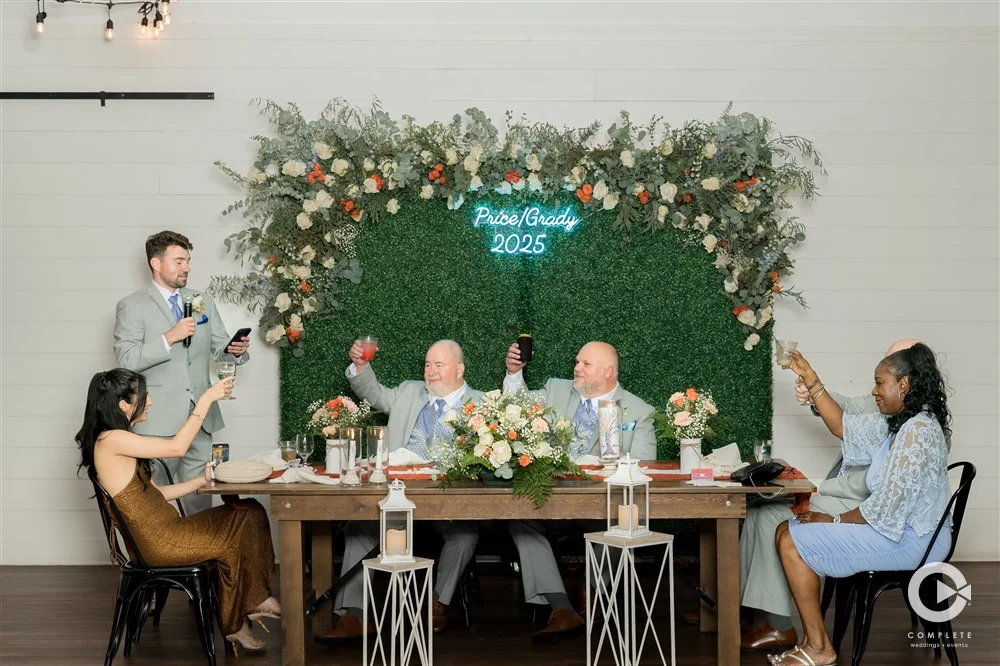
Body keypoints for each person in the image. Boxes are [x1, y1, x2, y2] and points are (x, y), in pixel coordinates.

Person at [770, 344, 952, 666]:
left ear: (904, 384)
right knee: (788, 529)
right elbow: (843, 425)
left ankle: (819, 649)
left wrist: (835, 520)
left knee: (790, 540)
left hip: (913, 539)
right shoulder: (901, 421)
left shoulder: (917, 432)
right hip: (901, 529)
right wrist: (810, 376)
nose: (874, 390)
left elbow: (884, 510)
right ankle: (816, 642)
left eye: (880, 383)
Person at [76, 368, 279, 655]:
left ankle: (243, 613)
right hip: (161, 544)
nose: (150, 401)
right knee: (242, 520)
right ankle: (250, 605)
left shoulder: (116, 438)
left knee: (249, 510)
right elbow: (177, 447)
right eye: (144, 396)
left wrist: (200, 481)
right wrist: (206, 399)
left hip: (167, 531)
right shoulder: (111, 440)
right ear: (124, 405)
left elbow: (155, 495)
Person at [740, 338, 920, 651]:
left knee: (770, 517)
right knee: (757, 509)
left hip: (860, 505)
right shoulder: (889, 404)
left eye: (885, 377)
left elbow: (842, 423)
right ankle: (742, 610)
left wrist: (813, 383)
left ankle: (780, 627)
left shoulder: (906, 422)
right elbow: (850, 405)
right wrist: (814, 396)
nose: (877, 389)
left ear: (907, 379)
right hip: (845, 496)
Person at [320, 340, 482, 640]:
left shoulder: (482, 404)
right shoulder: (409, 391)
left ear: (459, 369)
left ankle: (436, 603)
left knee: (465, 535)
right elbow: (374, 392)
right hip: (394, 496)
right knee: (357, 529)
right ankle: (354, 615)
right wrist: (360, 366)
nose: (430, 372)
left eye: (439, 365)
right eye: (427, 364)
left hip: (447, 501)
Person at [502, 340, 657, 641]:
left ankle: (595, 596)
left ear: (609, 372)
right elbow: (517, 406)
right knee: (519, 519)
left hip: (603, 506)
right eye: (577, 362)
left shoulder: (639, 410)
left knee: (621, 522)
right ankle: (562, 609)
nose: (576, 368)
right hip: (549, 502)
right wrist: (513, 373)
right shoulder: (557, 390)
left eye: (585, 364)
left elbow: (643, 467)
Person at [113, 230, 250, 514]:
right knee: (156, 500)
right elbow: (126, 359)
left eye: (187, 261)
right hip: (157, 421)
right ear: (156, 263)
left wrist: (234, 350)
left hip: (202, 418)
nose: (186, 267)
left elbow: (218, 347)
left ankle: (200, 557)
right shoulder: (132, 305)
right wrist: (168, 337)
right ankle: (164, 558)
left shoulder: (201, 300)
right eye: (178, 261)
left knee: (201, 492)